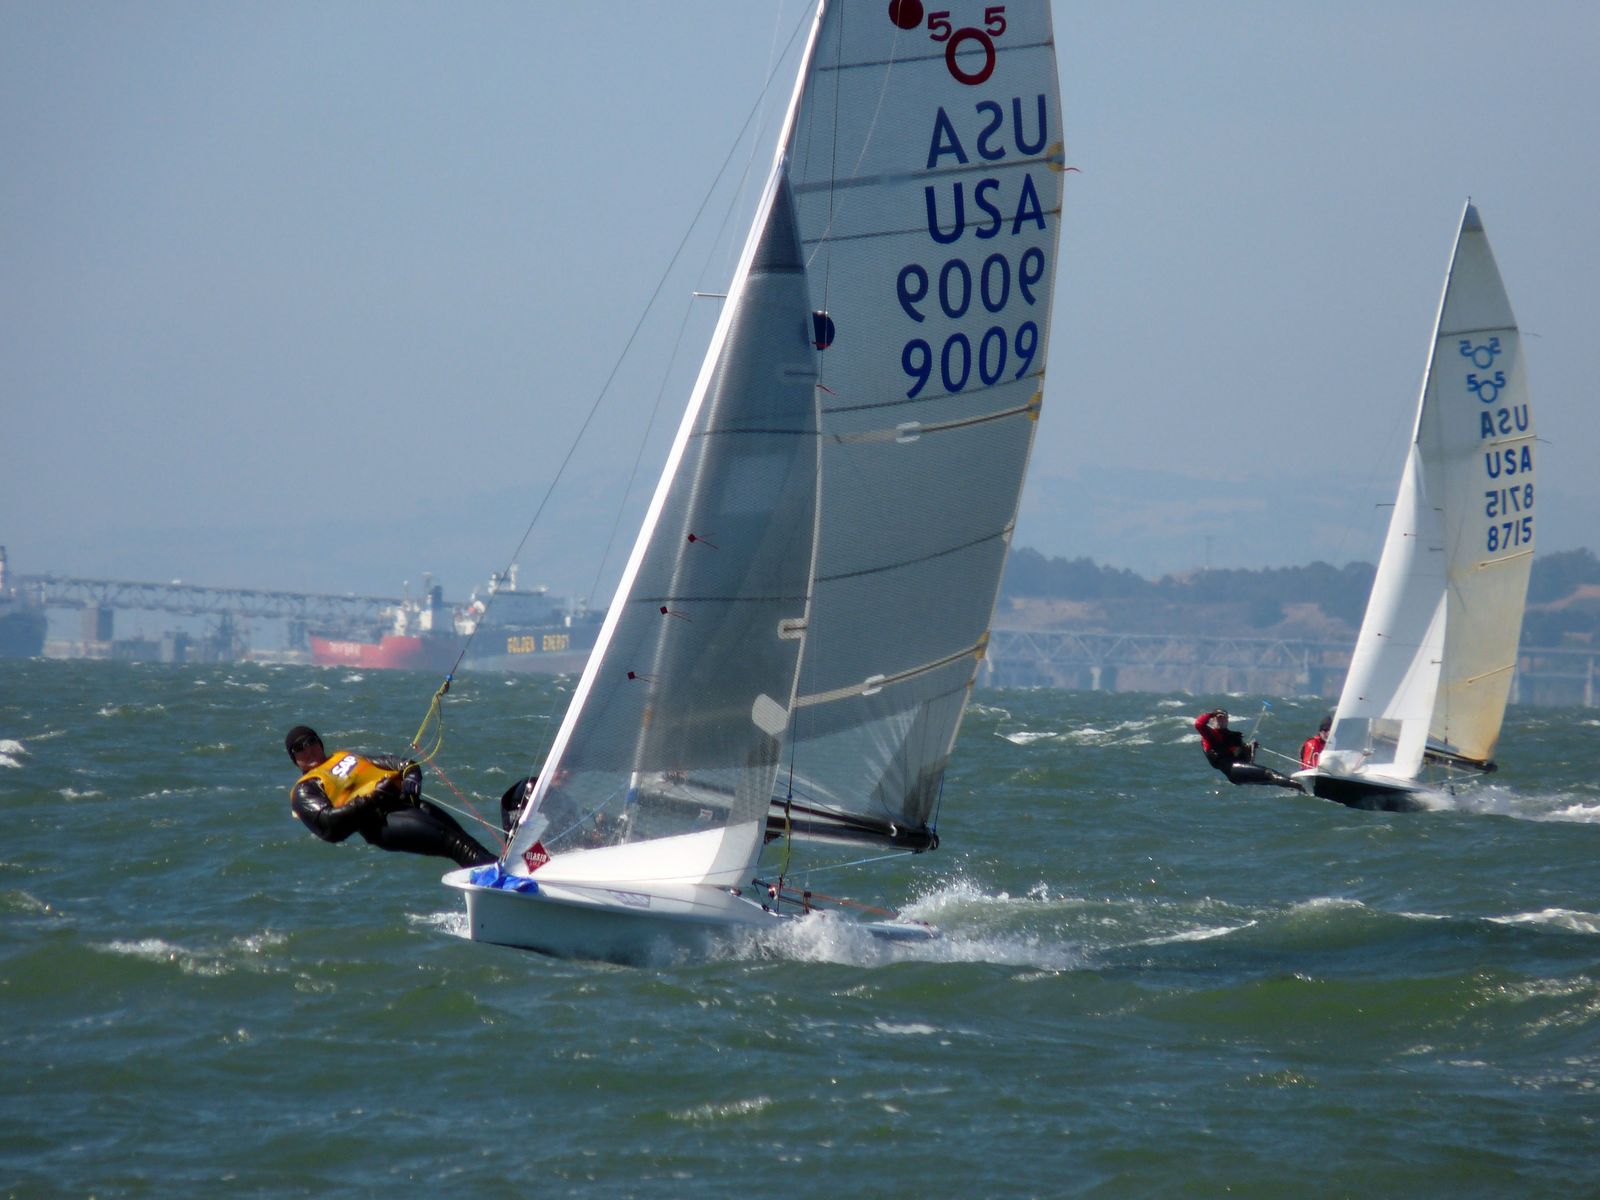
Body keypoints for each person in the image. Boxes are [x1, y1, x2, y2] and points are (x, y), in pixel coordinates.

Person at [284, 725, 496, 867]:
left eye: (311, 741)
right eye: (299, 748)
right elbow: (328, 826)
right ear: (294, 758)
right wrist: (373, 798)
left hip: (404, 805)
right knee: (453, 843)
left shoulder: (344, 756)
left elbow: (393, 762)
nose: (308, 749)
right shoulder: (305, 789)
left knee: (464, 839)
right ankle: (501, 879)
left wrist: (411, 772)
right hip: (381, 823)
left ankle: (499, 870)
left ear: (320, 743)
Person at [1194, 708, 1305, 792]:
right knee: (1270, 774)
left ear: (1227, 720)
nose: (1221, 720)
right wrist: (1212, 714)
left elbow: (1248, 761)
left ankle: (1299, 789)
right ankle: (1301, 788)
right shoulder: (1210, 735)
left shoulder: (1232, 737)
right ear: (1212, 720)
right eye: (1218, 718)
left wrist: (1251, 748)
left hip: (1239, 773)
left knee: (1273, 780)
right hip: (1233, 771)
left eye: (1224, 718)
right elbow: (1199, 724)